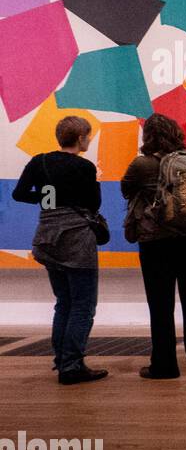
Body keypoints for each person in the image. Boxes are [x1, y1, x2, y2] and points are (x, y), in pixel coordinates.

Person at [11, 115, 108, 385]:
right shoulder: (84, 167)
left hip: (48, 239)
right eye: (88, 135)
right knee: (83, 306)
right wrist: (96, 179)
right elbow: (93, 205)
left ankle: (62, 361)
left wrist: (49, 198)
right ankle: (72, 365)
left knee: (63, 303)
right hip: (77, 241)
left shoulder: (38, 161)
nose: (89, 139)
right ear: (80, 138)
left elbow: (18, 194)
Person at [120, 113, 186, 379]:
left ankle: (164, 363)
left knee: (161, 304)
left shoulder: (142, 165)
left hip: (157, 242)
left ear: (148, 136)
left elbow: (126, 190)